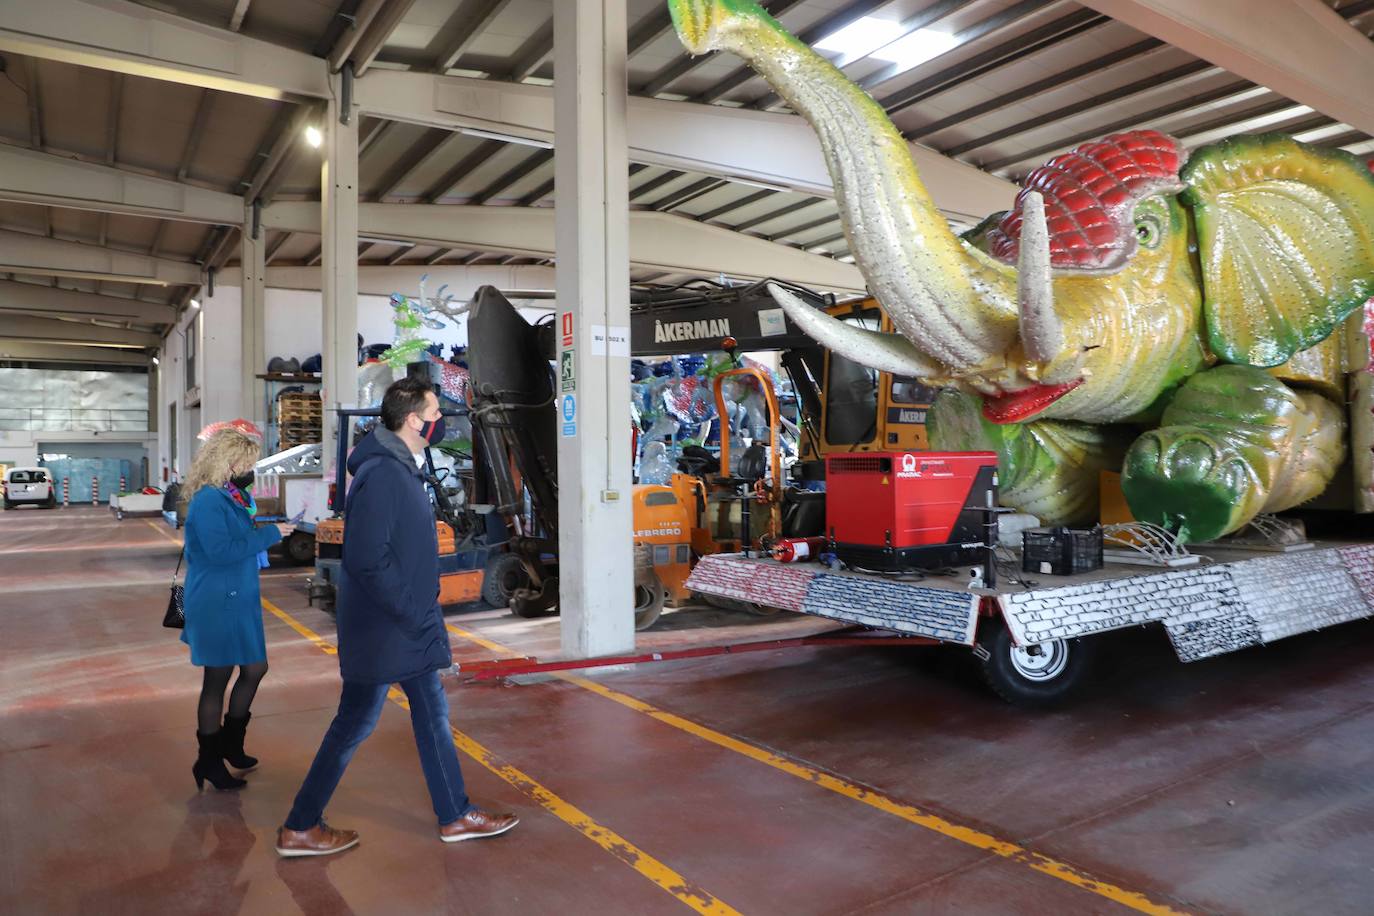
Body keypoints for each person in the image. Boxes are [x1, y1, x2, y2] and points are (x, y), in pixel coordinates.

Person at [276, 378, 517, 857]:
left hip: (401, 627)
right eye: (433, 410)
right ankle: (301, 826)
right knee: (356, 723)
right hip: (389, 628)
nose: (439, 418)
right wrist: (412, 612)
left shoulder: (400, 467)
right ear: (413, 419)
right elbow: (366, 559)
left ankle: (454, 814)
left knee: (431, 716)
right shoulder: (385, 473)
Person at [181, 423, 292, 791]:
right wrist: (272, 534)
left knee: (255, 668)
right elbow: (220, 552)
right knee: (216, 681)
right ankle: (209, 760)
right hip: (217, 600)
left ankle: (230, 745)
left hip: (236, 598)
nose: (250, 470)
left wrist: (268, 529)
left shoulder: (230, 497)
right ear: (228, 463)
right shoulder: (209, 500)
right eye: (246, 463)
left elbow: (238, 539)